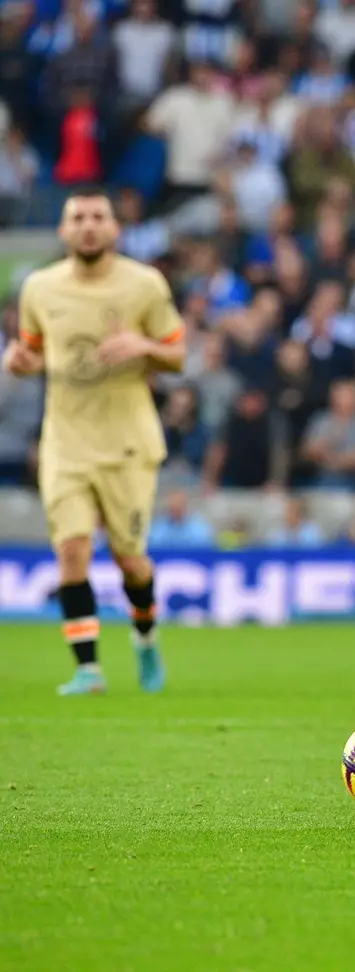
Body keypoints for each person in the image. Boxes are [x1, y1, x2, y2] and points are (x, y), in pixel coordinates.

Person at [2, 187, 188, 695]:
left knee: (131, 560)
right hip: (65, 441)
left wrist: (143, 346)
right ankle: (88, 669)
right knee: (72, 551)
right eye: (77, 217)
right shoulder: (39, 288)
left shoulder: (144, 285)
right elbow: (35, 352)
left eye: (97, 217)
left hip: (128, 442)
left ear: (114, 228)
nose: (87, 225)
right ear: (63, 230)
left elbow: (179, 354)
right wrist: (20, 362)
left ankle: (145, 639)